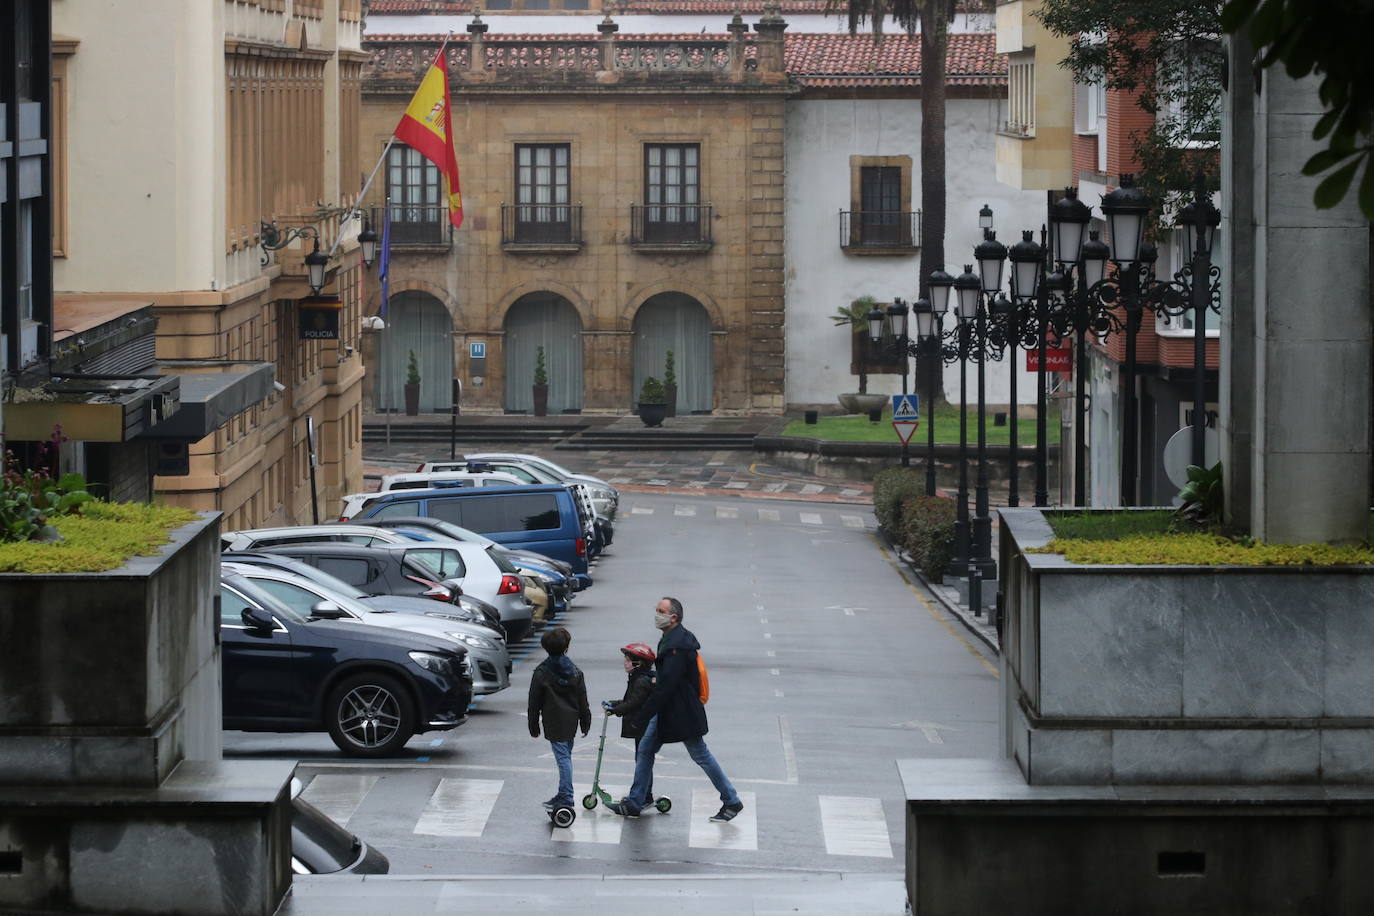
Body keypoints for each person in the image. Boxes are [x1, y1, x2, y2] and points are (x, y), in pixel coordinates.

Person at [609, 597, 743, 822]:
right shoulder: (672, 639)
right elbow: (667, 681)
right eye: (656, 609)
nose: (656, 614)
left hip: (681, 712)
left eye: (661, 611)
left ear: (674, 617)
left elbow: (666, 687)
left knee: (700, 754)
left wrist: (642, 716)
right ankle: (635, 801)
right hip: (669, 710)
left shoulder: (676, 646)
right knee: (645, 751)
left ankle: (731, 800)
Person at [527, 626, 591, 812]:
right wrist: (585, 722)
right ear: (566, 647)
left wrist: (533, 724)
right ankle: (563, 792)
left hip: (554, 722)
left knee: (563, 759)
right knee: (566, 757)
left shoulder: (541, 672)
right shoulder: (576, 672)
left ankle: (566, 797)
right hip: (570, 722)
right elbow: (583, 700)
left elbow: (534, 701)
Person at [602, 641, 659, 806]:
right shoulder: (639, 678)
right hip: (642, 726)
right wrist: (614, 703)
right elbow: (631, 700)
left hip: (644, 727)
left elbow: (634, 703)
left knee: (642, 761)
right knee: (643, 761)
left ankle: (641, 797)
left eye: (628, 659)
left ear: (638, 663)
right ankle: (645, 795)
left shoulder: (641, 681)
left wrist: (616, 710)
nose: (625, 663)